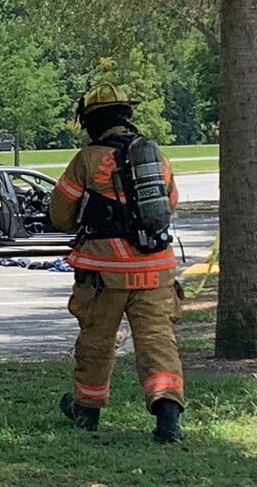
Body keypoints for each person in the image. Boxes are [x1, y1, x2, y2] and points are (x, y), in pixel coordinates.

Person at [50, 83, 184, 443]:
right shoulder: (157, 156)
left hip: (105, 273)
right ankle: (168, 418)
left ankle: (87, 412)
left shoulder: (88, 159)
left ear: (92, 121)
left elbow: (60, 215)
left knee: (97, 342)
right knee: (157, 341)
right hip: (156, 270)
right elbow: (169, 205)